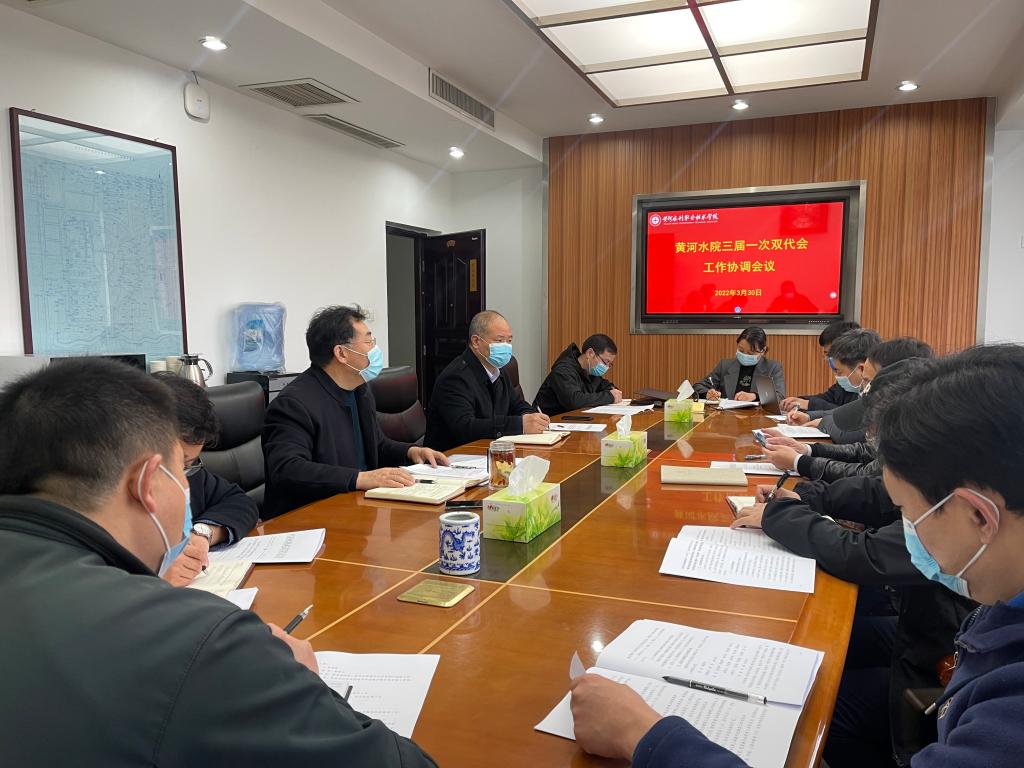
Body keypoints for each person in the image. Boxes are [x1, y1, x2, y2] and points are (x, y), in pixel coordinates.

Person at [569, 344, 1024, 768]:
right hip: (926, 654)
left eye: (906, 513)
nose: (902, 528)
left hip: (925, 673)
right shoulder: (1001, 596)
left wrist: (648, 739)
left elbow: (866, 544)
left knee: (812, 714)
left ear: (978, 516)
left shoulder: (1009, 716)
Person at [0, 359, 438, 766]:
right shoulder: (199, 642)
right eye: (183, 471)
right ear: (148, 482)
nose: (189, 486)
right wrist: (303, 685)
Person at [263, 305, 447, 519]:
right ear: (341, 353)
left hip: (357, 508)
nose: (375, 349)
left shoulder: (360, 390)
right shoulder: (294, 404)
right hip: (309, 519)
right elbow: (288, 469)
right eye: (368, 342)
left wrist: (411, 452)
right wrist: (360, 478)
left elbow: (377, 445)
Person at [154, 372, 260, 586]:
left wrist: (203, 533)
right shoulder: (101, 497)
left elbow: (240, 501)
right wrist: (153, 574)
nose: (183, 480)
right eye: (176, 464)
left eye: (188, 465)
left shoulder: (191, 475)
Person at [762, 358, 931, 483]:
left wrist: (800, 462)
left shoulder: (914, 443)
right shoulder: (898, 425)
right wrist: (807, 450)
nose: (864, 387)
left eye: (867, 380)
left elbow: (867, 476)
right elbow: (866, 451)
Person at [425, 310, 549, 451]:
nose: (506, 346)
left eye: (509, 341)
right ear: (476, 342)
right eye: (499, 340)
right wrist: (519, 425)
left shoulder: (499, 370)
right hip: (454, 456)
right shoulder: (455, 377)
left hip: (488, 450)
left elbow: (516, 404)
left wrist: (531, 417)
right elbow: (465, 427)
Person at [787, 327, 881, 434]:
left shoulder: (883, 394)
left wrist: (823, 423)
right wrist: (809, 416)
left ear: (861, 369)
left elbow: (856, 433)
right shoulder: (863, 387)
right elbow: (842, 412)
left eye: (839, 372)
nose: (836, 376)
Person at [780, 319, 861, 413]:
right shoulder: (845, 380)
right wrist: (798, 400)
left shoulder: (867, 382)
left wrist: (808, 404)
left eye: (830, 354)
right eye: (826, 354)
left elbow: (849, 414)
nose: (828, 359)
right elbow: (827, 398)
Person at [534, 334, 621, 416]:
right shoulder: (563, 370)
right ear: (590, 353)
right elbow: (574, 401)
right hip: (548, 421)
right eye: (605, 362)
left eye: (609, 364)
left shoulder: (590, 371)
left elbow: (607, 386)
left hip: (573, 419)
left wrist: (613, 391)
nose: (606, 367)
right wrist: (610, 396)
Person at [692, 326, 785, 401]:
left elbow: (779, 396)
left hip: (758, 416)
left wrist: (754, 396)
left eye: (751, 353)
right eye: (741, 350)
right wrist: (707, 393)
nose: (745, 355)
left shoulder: (772, 367)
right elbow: (698, 387)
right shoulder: (725, 366)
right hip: (727, 416)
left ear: (763, 350)